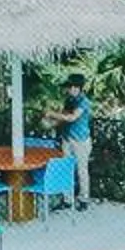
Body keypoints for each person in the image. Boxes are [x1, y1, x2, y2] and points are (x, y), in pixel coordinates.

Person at [48, 81, 93, 211]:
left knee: (81, 170)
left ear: (80, 88)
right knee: (65, 169)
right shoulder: (69, 100)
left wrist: (51, 114)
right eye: (70, 87)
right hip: (67, 139)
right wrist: (50, 123)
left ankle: (84, 199)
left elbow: (72, 117)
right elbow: (63, 117)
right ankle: (67, 199)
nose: (72, 89)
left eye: (75, 87)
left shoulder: (84, 102)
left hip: (81, 141)